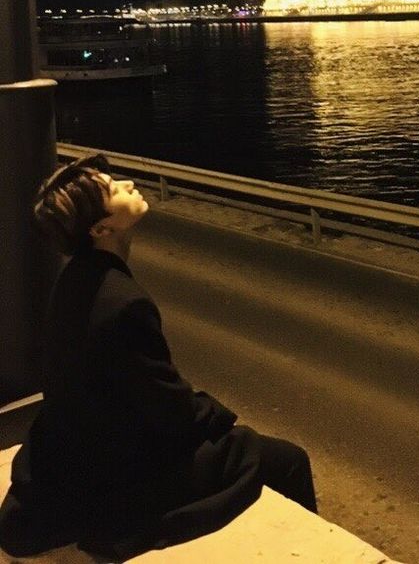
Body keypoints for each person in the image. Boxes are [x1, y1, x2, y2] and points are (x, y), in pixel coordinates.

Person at [0, 153, 316, 561]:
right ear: (102, 227)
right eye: (113, 189)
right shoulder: (123, 303)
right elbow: (170, 408)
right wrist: (223, 417)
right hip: (119, 469)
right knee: (287, 460)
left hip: (84, 447)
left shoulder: (75, 278)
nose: (127, 185)